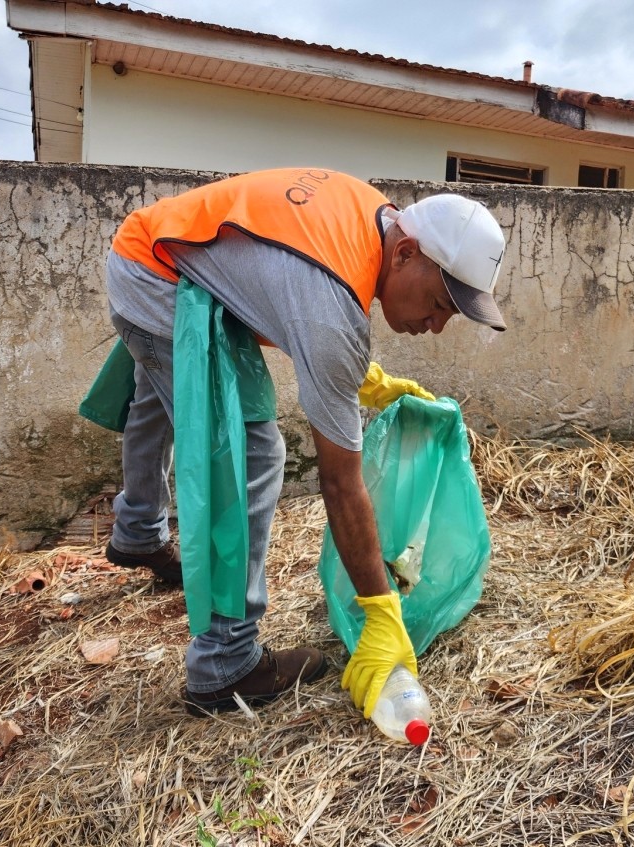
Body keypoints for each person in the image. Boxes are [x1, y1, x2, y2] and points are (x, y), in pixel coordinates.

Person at [101, 167, 507, 719]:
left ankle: (138, 531)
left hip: (156, 245)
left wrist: (361, 377)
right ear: (407, 252)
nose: (436, 324)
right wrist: (381, 612)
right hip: (160, 279)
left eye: (450, 315)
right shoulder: (331, 304)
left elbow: (292, 290)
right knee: (249, 452)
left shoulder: (373, 219)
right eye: (439, 302)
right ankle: (225, 664)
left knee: (161, 392)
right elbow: (340, 483)